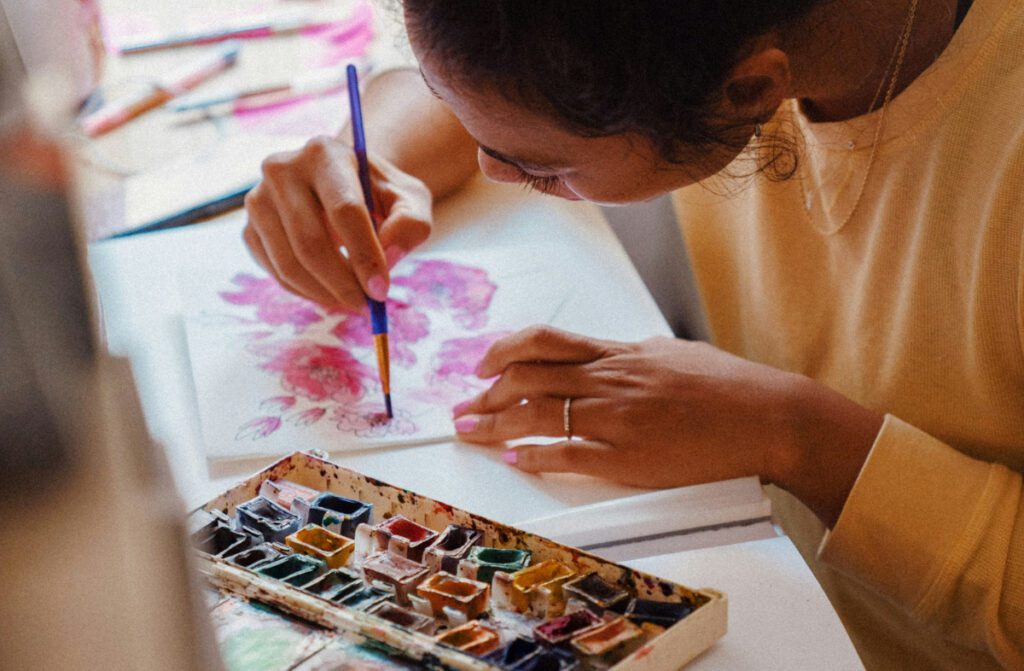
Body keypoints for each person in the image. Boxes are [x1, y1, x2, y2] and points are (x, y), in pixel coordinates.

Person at [242, 1, 1023, 668]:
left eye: (540, 167)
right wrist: (370, 154)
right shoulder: (696, 35)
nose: (488, 165)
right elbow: (494, 73)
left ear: (749, 88)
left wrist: (799, 435)